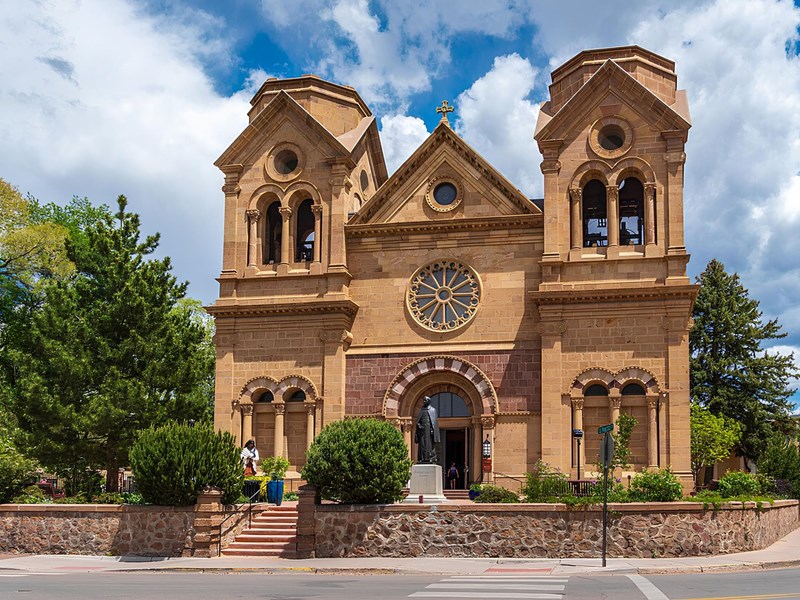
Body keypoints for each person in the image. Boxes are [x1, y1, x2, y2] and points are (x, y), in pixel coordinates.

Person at [415, 396, 440, 463]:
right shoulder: (422, 410)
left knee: (429, 444)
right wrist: (419, 425)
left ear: (429, 401)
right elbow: (418, 421)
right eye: (423, 400)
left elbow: (434, 422)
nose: (424, 401)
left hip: (429, 430)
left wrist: (432, 430)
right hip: (422, 430)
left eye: (425, 400)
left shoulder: (432, 410)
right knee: (422, 444)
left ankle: (430, 458)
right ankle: (422, 458)